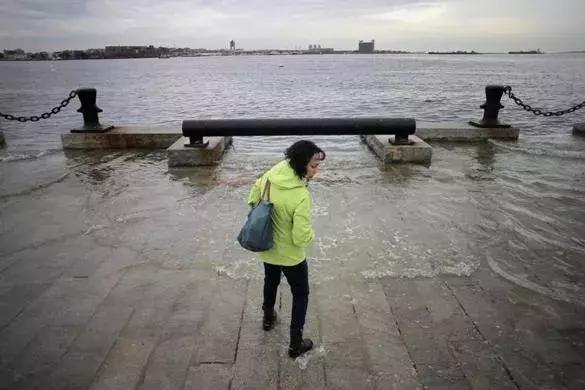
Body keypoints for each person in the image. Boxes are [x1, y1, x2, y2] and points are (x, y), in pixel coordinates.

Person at [247, 140, 325, 358]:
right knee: (301, 294)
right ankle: (295, 344)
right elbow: (300, 238)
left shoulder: (271, 174)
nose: (315, 172)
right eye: (313, 166)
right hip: (292, 256)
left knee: (270, 280)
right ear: (300, 164)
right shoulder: (301, 195)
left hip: (267, 246)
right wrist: (312, 234)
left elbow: (252, 198)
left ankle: (268, 318)